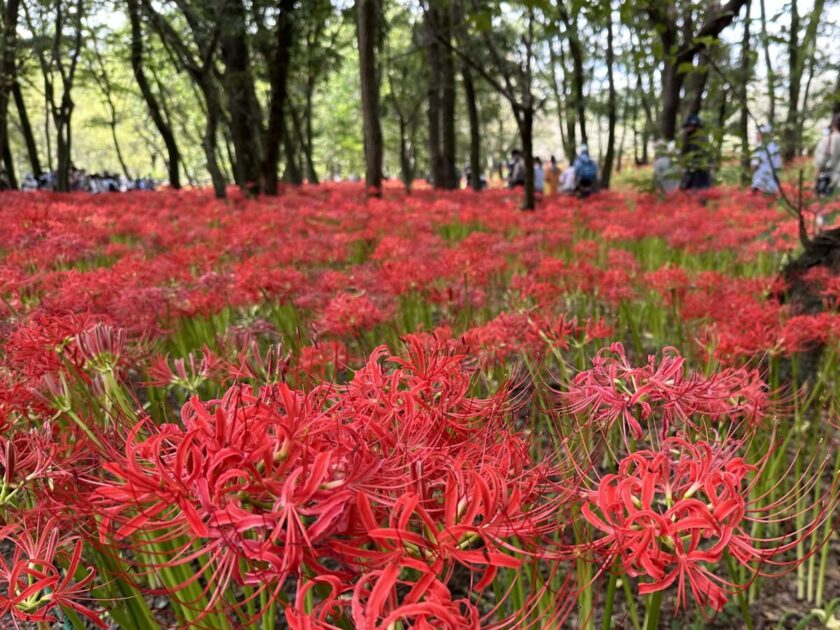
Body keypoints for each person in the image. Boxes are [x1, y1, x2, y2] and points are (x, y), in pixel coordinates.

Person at [679, 114, 711, 191]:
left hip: (699, 172)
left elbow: (703, 155)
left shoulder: (701, 138)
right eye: (687, 126)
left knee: (698, 192)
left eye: (690, 125)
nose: (688, 128)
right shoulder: (687, 138)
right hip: (690, 171)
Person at [750, 124, 782, 195]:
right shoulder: (775, 147)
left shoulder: (759, 147)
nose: (756, 136)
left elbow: (754, 165)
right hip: (772, 184)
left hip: (759, 183)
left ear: (762, 135)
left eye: (757, 133)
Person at [815, 113, 840, 197]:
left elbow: (821, 162)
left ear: (833, 125)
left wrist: (815, 180)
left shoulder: (827, 140)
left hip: (830, 181)